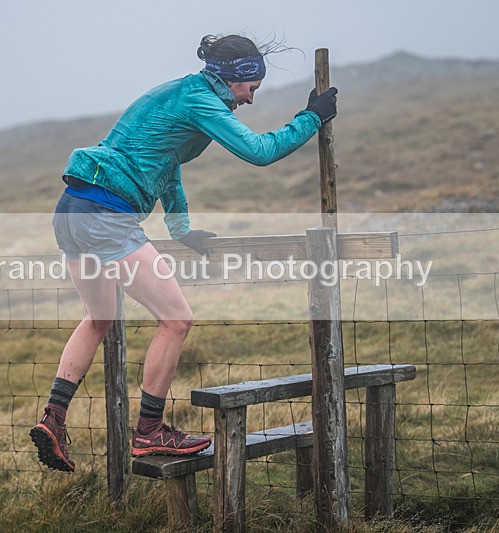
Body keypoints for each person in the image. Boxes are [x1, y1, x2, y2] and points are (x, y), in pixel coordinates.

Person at [30, 34, 338, 472]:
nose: (251, 99)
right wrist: (311, 118)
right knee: (176, 320)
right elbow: (259, 152)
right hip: (106, 214)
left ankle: (52, 420)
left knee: (99, 318)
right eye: (253, 88)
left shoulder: (175, 93)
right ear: (236, 78)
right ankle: (150, 431)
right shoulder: (200, 102)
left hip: (72, 210)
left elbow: (168, 167)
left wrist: (182, 230)